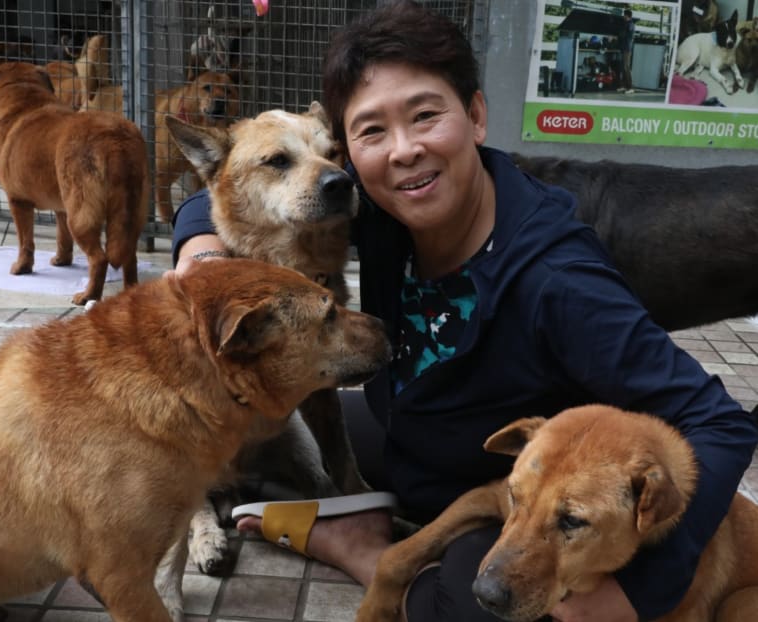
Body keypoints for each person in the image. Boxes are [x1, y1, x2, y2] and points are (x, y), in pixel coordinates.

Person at [171, 2, 758, 620]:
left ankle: (358, 545)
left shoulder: (557, 280)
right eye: (372, 131)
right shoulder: (383, 208)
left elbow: (721, 424)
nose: (403, 150)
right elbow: (237, 189)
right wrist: (200, 248)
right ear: (350, 153)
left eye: (425, 116)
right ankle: (366, 512)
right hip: (414, 432)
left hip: (509, 494)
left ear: (475, 116)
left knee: (463, 603)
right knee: (271, 432)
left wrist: (643, 589)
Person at [617, 8, 635, 94]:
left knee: (626, 67)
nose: (623, 16)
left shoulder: (630, 24)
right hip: (624, 48)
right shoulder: (626, 24)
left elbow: (624, 35)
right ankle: (624, 86)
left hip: (627, 49)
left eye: (624, 15)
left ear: (627, 16)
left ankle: (630, 87)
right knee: (623, 68)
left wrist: (616, 36)